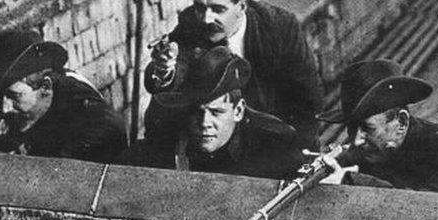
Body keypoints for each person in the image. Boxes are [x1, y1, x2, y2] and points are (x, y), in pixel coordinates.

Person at [145, 0, 322, 150]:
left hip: (274, 139)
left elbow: (307, 99)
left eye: (218, 9)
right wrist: (165, 72)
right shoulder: (190, 26)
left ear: (242, 6)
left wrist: (298, 154)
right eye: (200, 7)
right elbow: (177, 69)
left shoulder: (279, 27)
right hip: (221, 144)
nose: (207, 19)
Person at [122, 46, 303, 179]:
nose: (204, 123)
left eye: (216, 112)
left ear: (238, 111)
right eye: (196, 112)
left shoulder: (273, 143)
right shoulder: (169, 133)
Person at [0, 29, 127, 163]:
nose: (5, 108)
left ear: (45, 87)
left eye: (14, 96)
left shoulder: (94, 123)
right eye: (1, 96)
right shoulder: (36, 103)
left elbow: (50, 181)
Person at [318, 59, 438, 194]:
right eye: (351, 128)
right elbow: (343, 159)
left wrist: (349, 181)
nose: (356, 141)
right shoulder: (369, 150)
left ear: (402, 122)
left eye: (368, 128)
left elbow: (427, 209)